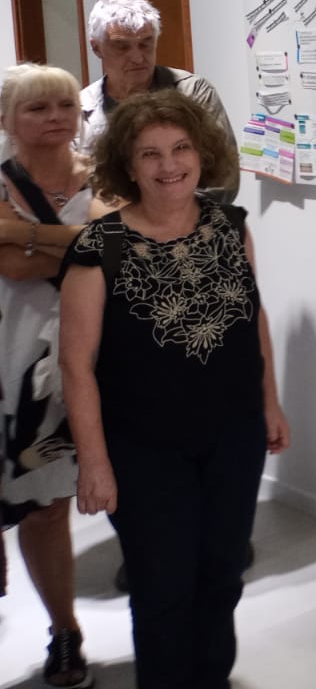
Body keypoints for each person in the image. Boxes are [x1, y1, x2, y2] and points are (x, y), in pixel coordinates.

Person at [58, 89, 289, 689]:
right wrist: (94, 464)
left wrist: (270, 402)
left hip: (233, 437)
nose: (169, 165)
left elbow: (253, 317)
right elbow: (76, 365)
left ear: (201, 154)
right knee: (163, 588)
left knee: (222, 576)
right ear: (129, 167)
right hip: (143, 451)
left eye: (181, 148)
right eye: (151, 154)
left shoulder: (230, 227)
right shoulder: (99, 248)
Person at [0, 64, 111, 688]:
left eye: (65, 105)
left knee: (136, 487)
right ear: (7, 120)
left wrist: (21, 232)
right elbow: (12, 269)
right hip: (20, 366)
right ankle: (64, 631)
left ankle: (168, 613)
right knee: (44, 507)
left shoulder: (109, 174)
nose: (55, 118)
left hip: (108, 358)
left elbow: (118, 248)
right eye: (37, 108)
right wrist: (76, 241)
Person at [80, 0, 239, 202]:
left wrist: (155, 215)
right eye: (122, 47)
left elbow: (223, 180)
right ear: (96, 47)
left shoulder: (192, 93)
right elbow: (75, 192)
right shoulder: (79, 109)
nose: (137, 57)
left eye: (146, 43)